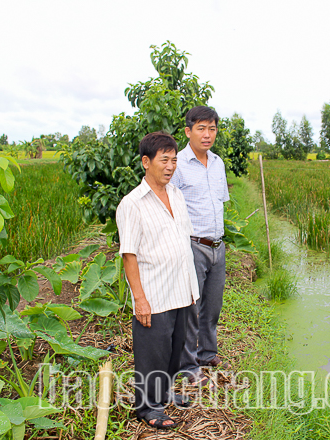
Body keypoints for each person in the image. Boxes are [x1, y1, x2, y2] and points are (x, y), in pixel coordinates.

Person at [116, 131, 199, 429]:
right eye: (164, 160)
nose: (170, 166)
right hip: (155, 293)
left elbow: (182, 239)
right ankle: (148, 408)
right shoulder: (132, 204)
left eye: (174, 160)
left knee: (175, 350)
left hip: (182, 288)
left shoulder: (176, 194)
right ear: (145, 162)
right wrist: (139, 298)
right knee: (153, 353)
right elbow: (129, 255)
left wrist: (192, 286)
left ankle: (163, 395)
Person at [171, 106, 230, 386]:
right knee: (190, 307)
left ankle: (207, 352)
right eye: (201, 128)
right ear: (188, 131)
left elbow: (220, 202)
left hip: (218, 246)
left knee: (212, 307)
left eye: (212, 129)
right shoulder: (177, 164)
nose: (208, 135)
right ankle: (187, 365)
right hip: (193, 245)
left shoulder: (218, 163)